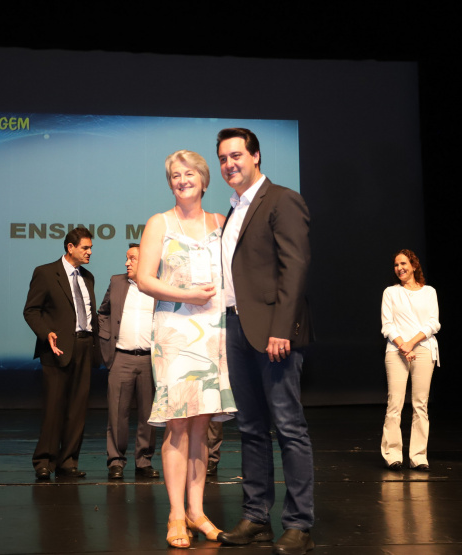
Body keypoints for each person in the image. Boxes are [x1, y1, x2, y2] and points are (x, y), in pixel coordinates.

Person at [213, 128, 315, 555]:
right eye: (222, 158)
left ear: (255, 156)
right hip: (237, 328)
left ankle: (299, 523)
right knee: (252, 429)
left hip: (274, 333)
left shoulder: (281, 199)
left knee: (288, 427)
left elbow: (295, 266)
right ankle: (257, 518)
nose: (228, 164)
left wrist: (281, 328)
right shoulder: (234, 208)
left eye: (236, 155)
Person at [137, 149, 237, 548]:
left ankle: (197, 511)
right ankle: (176, 514)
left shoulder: (221, 222)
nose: (182, 180)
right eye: (175, 176)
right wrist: (186, 295)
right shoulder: (159, 223)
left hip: (214, 330)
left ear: (204, 179)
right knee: (178, 424)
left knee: (202, 426)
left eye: (189, 173)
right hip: (176, 331)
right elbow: (145, 279)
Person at [24, 226, 101, 479]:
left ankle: (68, 461)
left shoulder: (87, 276)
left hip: (84, 346)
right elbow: (31, 310)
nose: (90, 252)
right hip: (57, 349)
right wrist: (46, 333)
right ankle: (44, 461)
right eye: (85, 248)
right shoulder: (46, 273)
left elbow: (91, 315)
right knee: (54, 408)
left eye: (90, 248)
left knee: (77, 409)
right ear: (70, 248)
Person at [98, 243, 160, 480]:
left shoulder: (158, 286)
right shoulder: (117, 282)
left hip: (149, 360)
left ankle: (144, 461)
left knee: (148, 415)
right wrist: (106, 343)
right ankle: (116, 460)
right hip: (121, 358)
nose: (127, 263)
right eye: (127, 258)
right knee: (117, 414)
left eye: (132, 259)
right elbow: (103, 312)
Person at [380, 249, 440, 472]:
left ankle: (418, 456)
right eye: (396, 265)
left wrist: (411, 343)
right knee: (394, 404)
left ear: (414, 265)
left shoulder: (429, 292)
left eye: (403, 263)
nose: (399, 268)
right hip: (396, 351)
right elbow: (387, 325)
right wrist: (403, 345)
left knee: (420, 405)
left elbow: (433, 323)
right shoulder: (390, 293)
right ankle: (392, 454)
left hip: (423, 349)